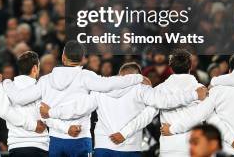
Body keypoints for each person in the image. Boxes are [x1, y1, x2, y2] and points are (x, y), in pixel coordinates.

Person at [3, 41, 148, 157]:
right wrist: (138, 77)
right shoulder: (86, 77)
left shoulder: (45, 81)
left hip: (55, 141)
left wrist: (7, 83)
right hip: (81, 139)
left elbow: (19, 98)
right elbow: (111, 84)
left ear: (63, 57)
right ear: (82, 60)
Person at [41, 62, 208, 157]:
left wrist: (51, 112)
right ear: (137, 77)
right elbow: (165, 101)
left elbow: (77, 108)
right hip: (130, 150)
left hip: (102, 149)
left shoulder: (101, 90)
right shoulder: (142, 90)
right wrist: (194, 95)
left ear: (120, 75)